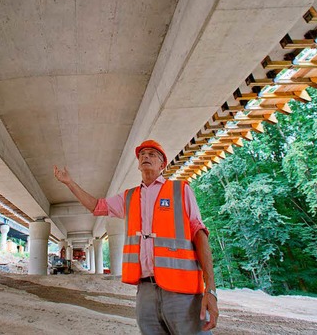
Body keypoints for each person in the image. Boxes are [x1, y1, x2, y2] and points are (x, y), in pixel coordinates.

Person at [54, 140, 218, 334]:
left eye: (151, 154)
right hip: (146, 292)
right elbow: (97, 206)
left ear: (162, 164)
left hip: (182, 291)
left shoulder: (180, 190)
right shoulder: (129, 197)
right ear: (139, 164)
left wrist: (211, 291)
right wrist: (70, 183)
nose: (145, 157)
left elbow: (200, 234)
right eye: (142, 155)